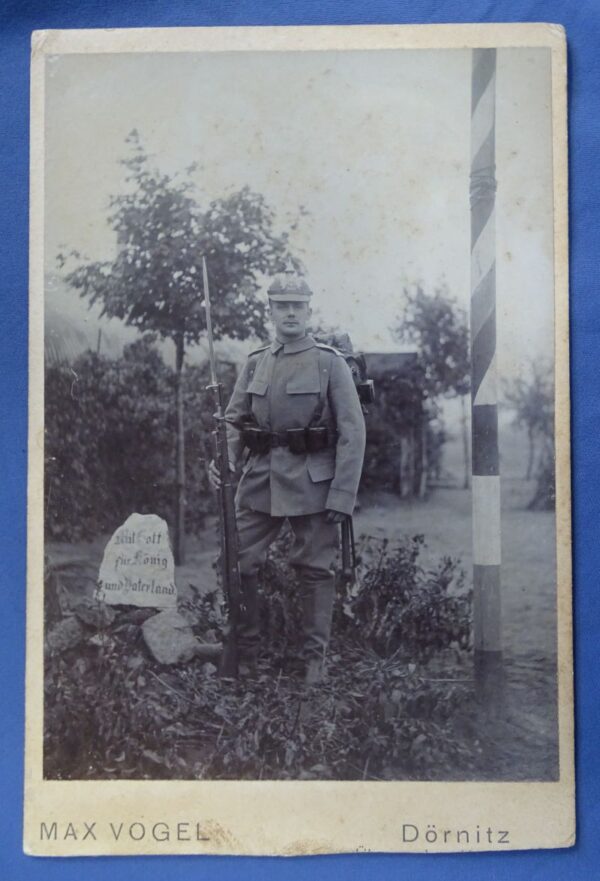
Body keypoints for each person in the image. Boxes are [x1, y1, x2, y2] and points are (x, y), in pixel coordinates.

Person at [209, 263, 366, 684]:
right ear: (271, 312)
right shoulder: (257, 361)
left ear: (309, 310)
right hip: (260, 480)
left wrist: (342, 495)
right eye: (282, 307)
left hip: (315, 483)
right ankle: (245, 654)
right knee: (235, 561)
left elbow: (353, 431)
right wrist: (225, 458)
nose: (290, 314)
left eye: (297, 306)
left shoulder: (328, 364)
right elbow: (233, 419)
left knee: (315, 571)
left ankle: (312, 663)